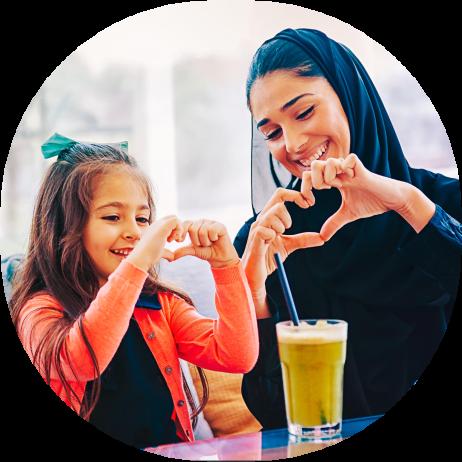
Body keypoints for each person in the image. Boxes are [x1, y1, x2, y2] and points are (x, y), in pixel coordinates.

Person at [234, 28, 461, 429]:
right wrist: (254, 297)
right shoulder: (266, 242)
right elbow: (273, 413)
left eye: (304, 112)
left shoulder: (442, 203)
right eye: (271, 132)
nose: (294, 142)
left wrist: (407, 205)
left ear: (350, 95)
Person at [8, 133, 259, 449]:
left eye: (143, 219)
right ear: (65, 226)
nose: (134, 232)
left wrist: (225, 266)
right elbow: (84, 361)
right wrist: (138, 262)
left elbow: (237, 356)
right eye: (113, 217)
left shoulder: (159, 304)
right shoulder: (39, 309)